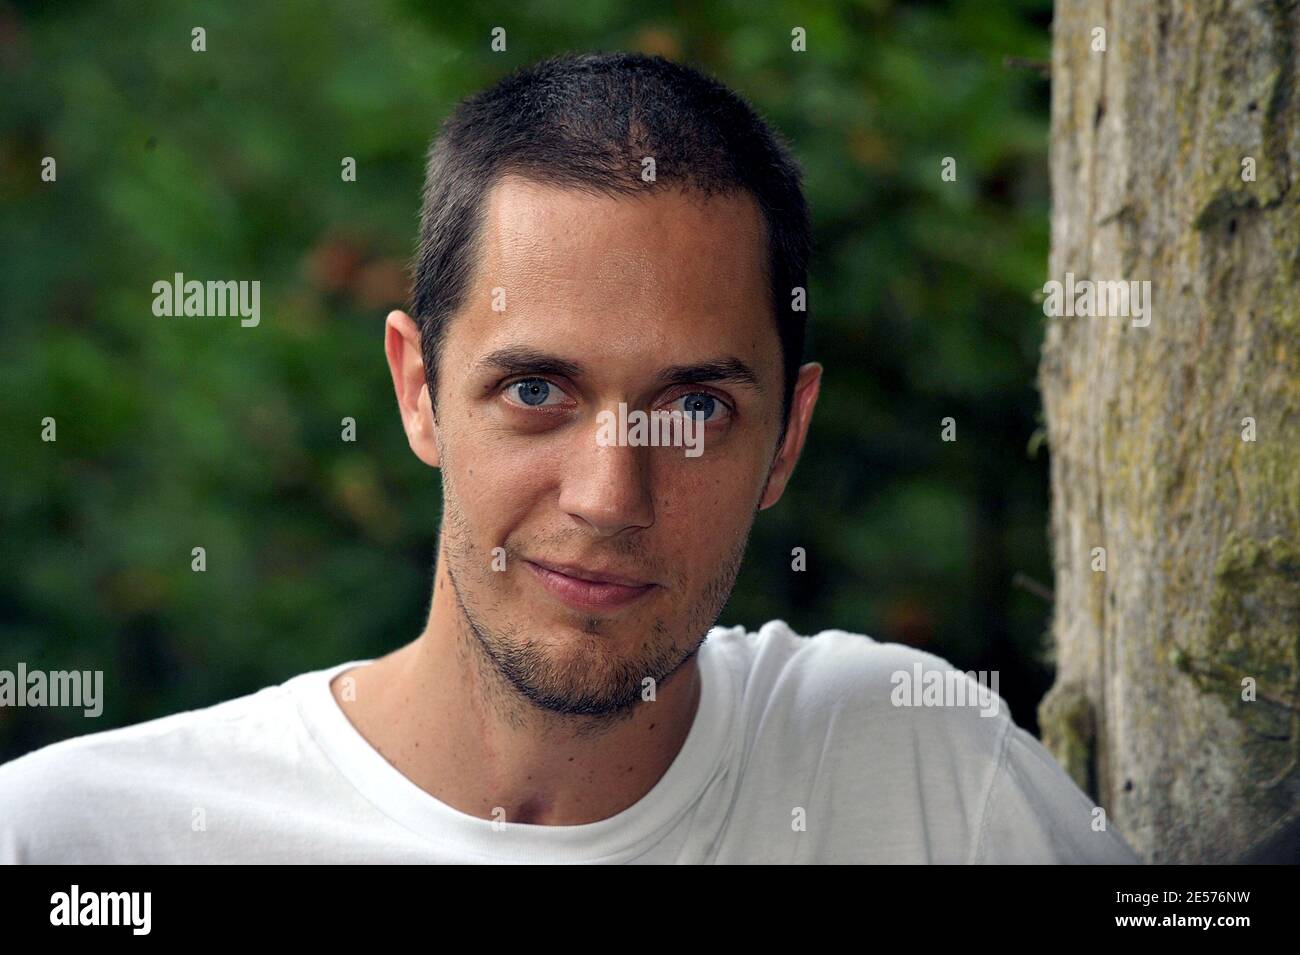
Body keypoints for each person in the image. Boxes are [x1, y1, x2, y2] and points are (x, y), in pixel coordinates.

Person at [0, 52, 1139, 864]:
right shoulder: (78, 840)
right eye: (536, 391)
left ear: (785, 437)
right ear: (419, 390)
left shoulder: (920, 773)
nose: (608, 497)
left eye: (692, 408)